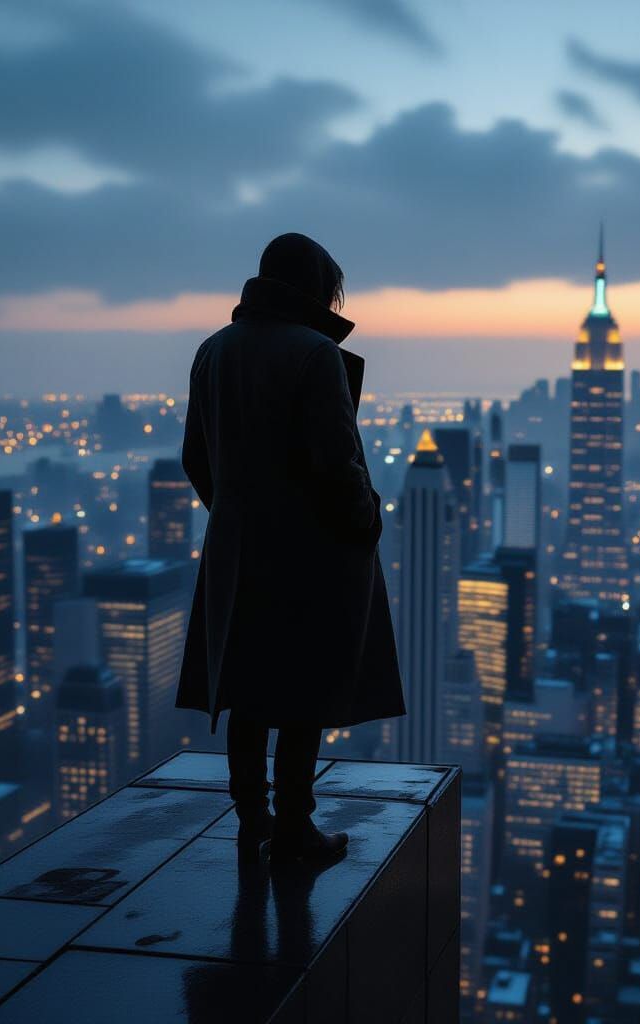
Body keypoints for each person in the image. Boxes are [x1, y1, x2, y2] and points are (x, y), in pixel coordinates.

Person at [176, 232, 405, 864]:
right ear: (314, 289)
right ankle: (296, 828)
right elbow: (337, 462)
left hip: (236, 549)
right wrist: (365, 522)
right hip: (307, 554)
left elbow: (196, 455)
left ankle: (254, 819)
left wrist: (233, 516)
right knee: (303, 691)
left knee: (248, 691)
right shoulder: (314, 354)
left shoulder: (213, 351)